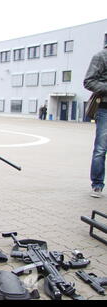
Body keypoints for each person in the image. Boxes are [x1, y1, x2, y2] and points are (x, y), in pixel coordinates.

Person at [83, 44, 107, 198]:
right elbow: (88, 81)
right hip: (105, 108)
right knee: (101, 149)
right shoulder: (101, 56)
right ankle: (97, 185)